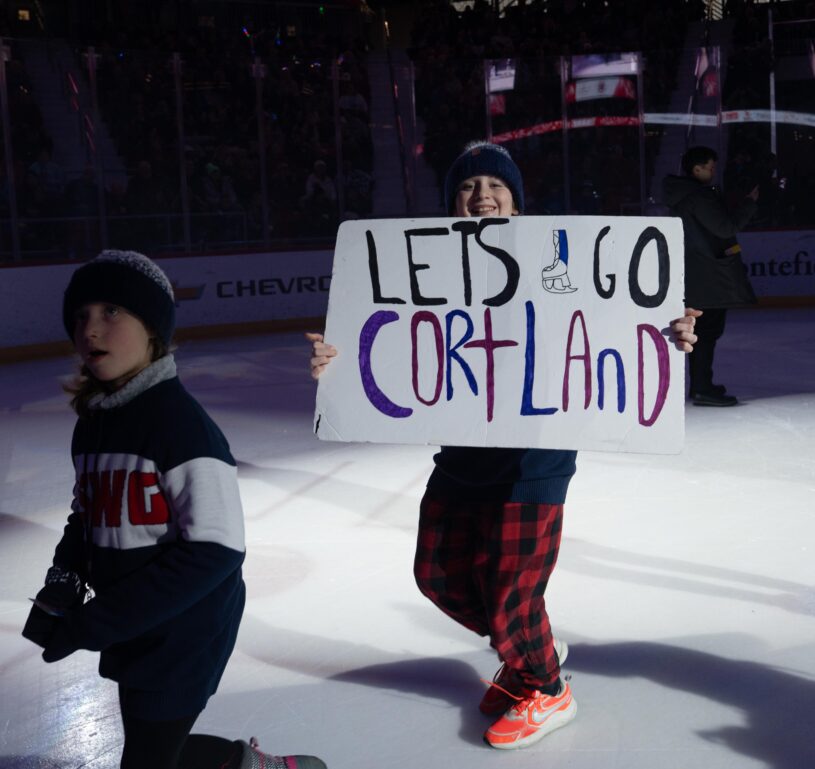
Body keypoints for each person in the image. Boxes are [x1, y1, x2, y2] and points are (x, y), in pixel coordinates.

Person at [307, 141, 699, 749]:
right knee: (436, 575)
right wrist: (336, 364)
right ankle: (529, 646)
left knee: (513, 596)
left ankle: (546, 685)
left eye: (495, 186)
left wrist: (667, 332)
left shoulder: (557, 264)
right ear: (451, 205)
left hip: (533, 464)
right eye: (467, 188)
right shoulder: (427, 274)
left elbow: (616, 323)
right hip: (461, 456)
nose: (481, 196)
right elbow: (385, 339)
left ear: (516, 203)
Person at [22, 250, 326, 769]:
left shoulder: (179, 426)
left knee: (145, 759)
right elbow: (86, 516)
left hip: (186, 632)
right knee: (154, 751)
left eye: (112, 312)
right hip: (134, 625)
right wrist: (63, 582)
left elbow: (217, 549)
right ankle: (244, 765)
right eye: (80, 316)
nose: (91, 328)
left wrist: (95, 622)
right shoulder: (95, 423)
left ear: (153, 330)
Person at [663, 146, 758, 406]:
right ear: (697, 169)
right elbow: (725, 226)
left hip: (697, 273)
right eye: (710, 167)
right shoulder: (698, 197)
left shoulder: (684, 196)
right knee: (706, 332)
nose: (714, 171)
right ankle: (703, 387)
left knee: (702, 332)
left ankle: (700, 385)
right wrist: (749, 204)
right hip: (709, 275)